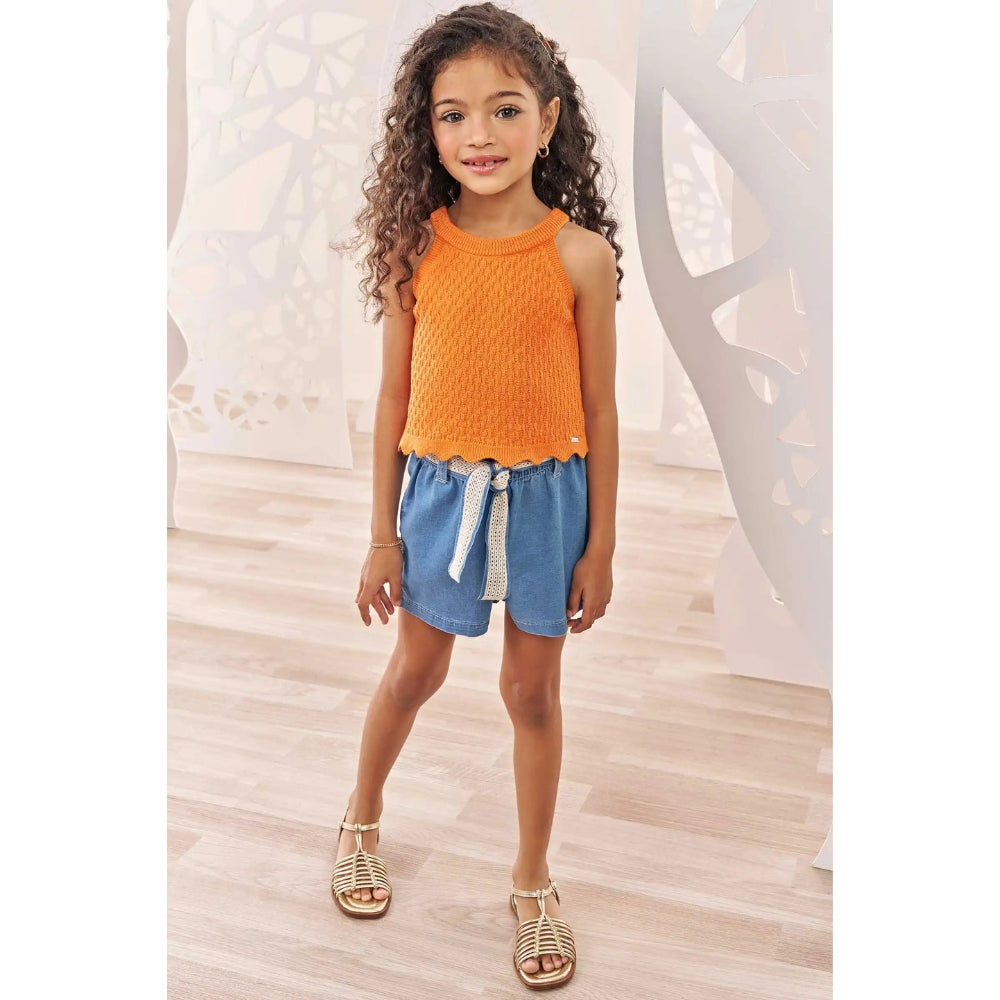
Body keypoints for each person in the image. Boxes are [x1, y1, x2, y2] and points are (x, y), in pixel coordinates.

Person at [330, 2, 622, 989]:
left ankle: (533, 880)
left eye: (504, 109)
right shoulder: (417, 248)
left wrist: (600, 546)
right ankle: (360, 818)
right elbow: (393, 399)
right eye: (452, 114)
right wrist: (381, 534)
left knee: (531, 692)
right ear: (427, 129)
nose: (479, 135)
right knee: (414, 673)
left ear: (548, 118)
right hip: (437, 497)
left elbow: (600, 409)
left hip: (549, 500)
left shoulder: (581, 257)